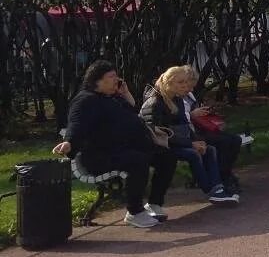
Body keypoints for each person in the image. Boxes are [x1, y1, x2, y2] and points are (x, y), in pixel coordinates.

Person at [52, 60, 178, 229]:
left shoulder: (111, 98)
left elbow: (131, 113)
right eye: (111, 77)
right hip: (99, 156)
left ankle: (154, 204)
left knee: (166, 157)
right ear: (97, 80)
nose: (116, 80)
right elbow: (76, 123)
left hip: (122, 149)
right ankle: (135, 212)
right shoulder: (85, 100)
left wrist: (125, 94)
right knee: (138, 161)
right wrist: (69, 142)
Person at [140, 66, 239, 204]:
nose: (186, 86)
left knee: (209, 149)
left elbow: (185, 126)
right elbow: (158, 134)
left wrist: (197, 140)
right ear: (168, 83)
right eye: (180, 82)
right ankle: (210, 190)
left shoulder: (178, 99)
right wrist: (190, 144)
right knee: (193, 153)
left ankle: (218, 188)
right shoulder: (154, 103)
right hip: (158, 145)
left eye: (186, 82)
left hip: (175, 141)